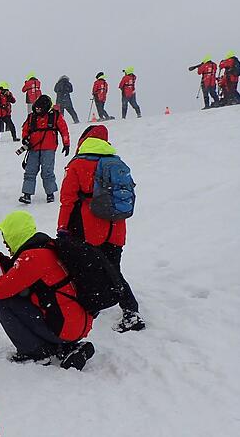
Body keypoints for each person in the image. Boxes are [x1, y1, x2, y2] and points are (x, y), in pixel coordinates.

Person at [0, 211, 95, 370]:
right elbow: (16, 274)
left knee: (1, 302)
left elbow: (1, 290)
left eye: (6, 237)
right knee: (20, 295)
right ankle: (65, 346)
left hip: (64, 328)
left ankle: (37, 351)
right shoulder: (44, 248)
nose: (4, 242)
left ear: (14, 235)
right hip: (75, 324)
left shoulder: (32, 258)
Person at [58, 125, 146, 333]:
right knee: (113, 268)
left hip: (90, 227)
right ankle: (125, 308)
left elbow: (67, 200)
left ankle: (119, 310)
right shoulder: (117, 162)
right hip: (116, 226)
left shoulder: (77, 165)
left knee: (90, 269)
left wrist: (62, 227)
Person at [18, 95, 70, 204]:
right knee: (30, 171)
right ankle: (27, 194)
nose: (37, 110)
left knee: (47, 172)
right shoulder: (31, 117)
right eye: (36, 108)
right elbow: (25, 129)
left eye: (39, 108)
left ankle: (50, 194)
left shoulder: (55, 116)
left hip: (49, 148)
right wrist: (25, 138)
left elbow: (64, 129)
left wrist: (66, 144)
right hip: (33, 148)